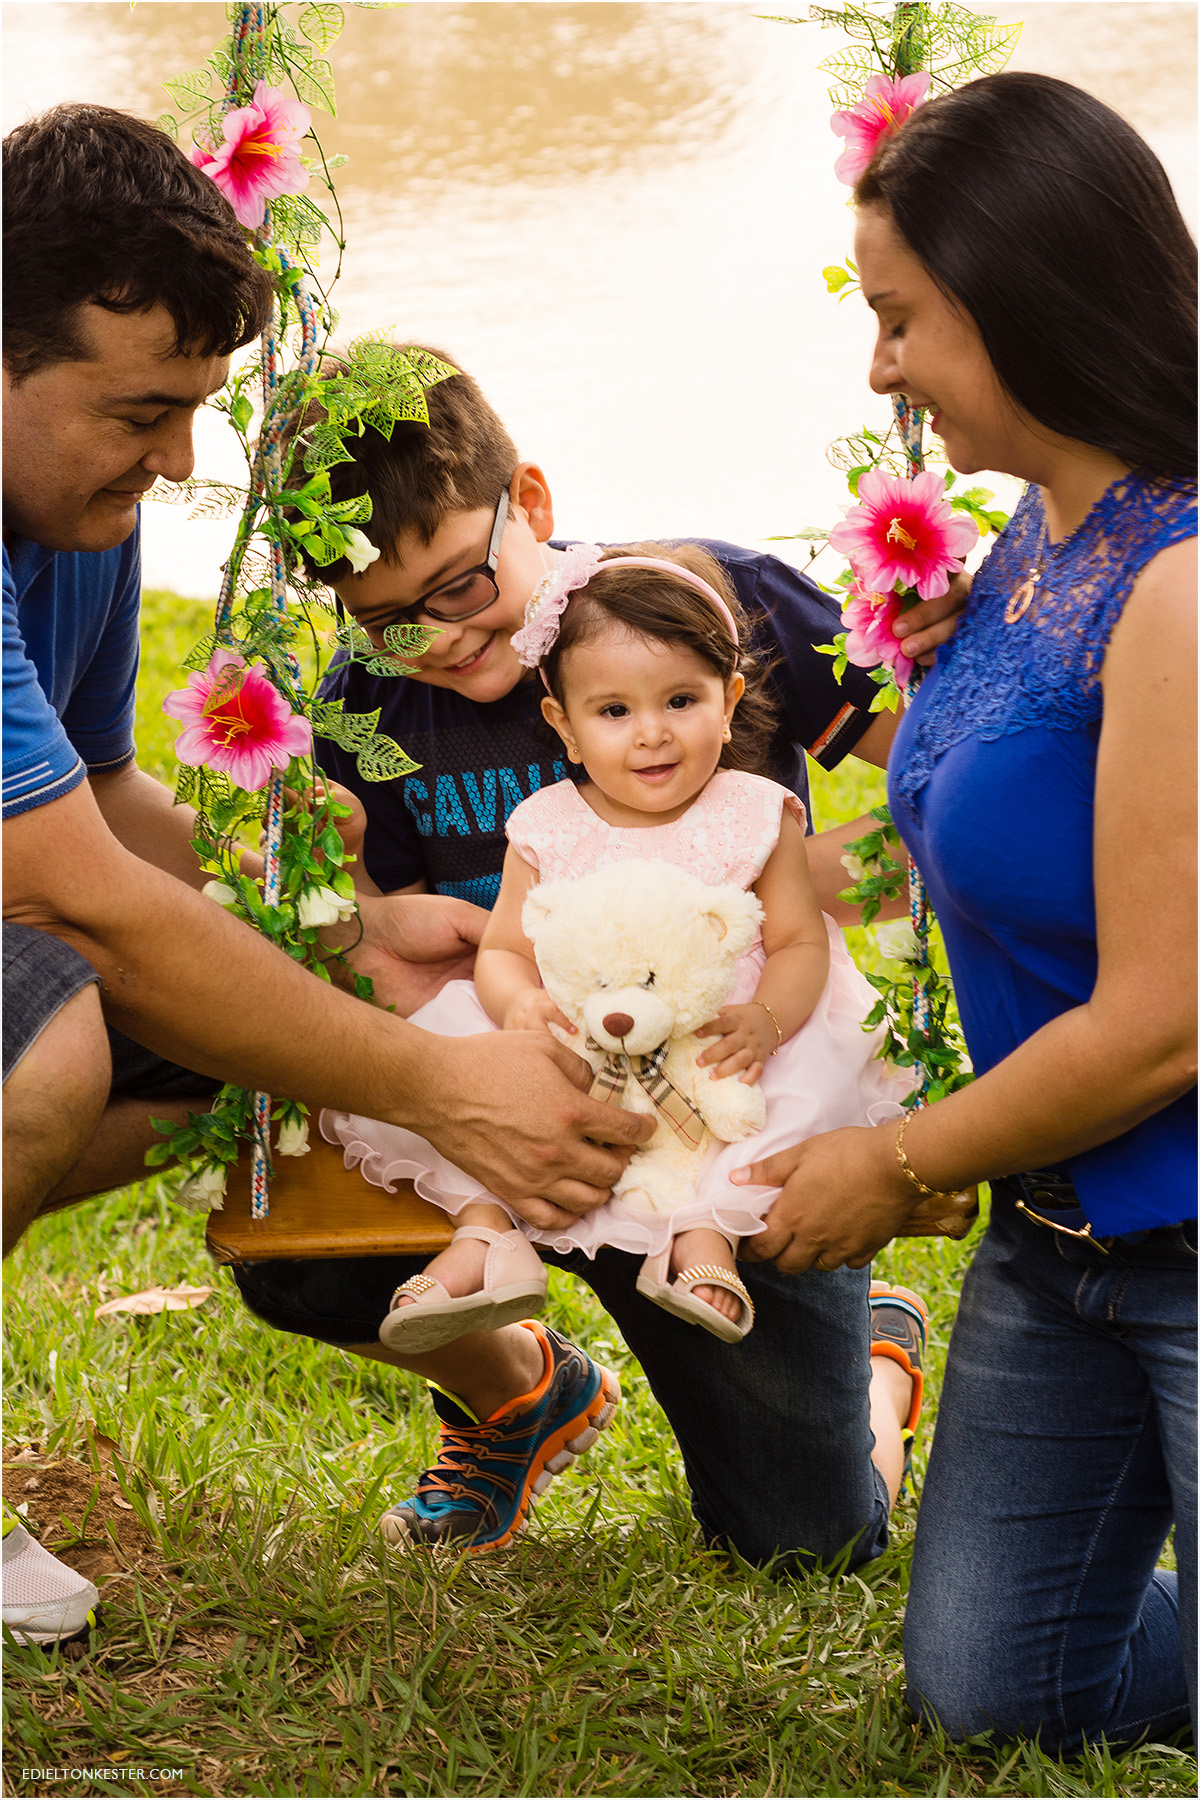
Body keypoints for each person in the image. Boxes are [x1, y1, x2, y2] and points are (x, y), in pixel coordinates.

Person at [2, 104, 653, 1644]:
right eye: (137, 411)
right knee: (38, 1068)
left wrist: (341, 925)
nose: (173, 459)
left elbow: (99, 797)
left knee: (218, 1064)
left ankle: (525, 1392)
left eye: (195, 412)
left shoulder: (80, 517)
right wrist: (452, 1092)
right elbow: (68, 892)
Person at [234, 354, 965, 1563]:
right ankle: (522, 1385)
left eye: (461, 582)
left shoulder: (707, 607)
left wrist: (790, 882)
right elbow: (382, 959)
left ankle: (873, 1359)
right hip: (505, 1124)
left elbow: (960, 776)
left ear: (528, 502)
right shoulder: (367, 706)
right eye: (386, 616)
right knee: (298, 1261)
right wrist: (348, 896)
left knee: (808, 1539)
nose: (437, 633)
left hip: (713, 1131)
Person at [730, 73, 1196, 1752]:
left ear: (1026, 297)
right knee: (995, 1694)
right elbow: (990, 838)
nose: (883, 368)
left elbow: (1163, 1021)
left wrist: (904, 1159)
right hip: (1061, 1243)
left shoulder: (1182, 587)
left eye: (903, 320)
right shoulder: (1039, 533)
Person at [324, 541, 910, 1351]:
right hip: (578, 1032)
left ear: (731, 699)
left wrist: (770, 1020)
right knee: (449, 1057)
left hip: (714, 1031)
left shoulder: (753, 811)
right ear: (562, 724)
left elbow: (802, 941)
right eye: (614, 712)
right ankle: (486, 1237)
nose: (651, 737)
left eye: (680, 701)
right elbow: (501, 952)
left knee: (776, 1092)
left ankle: (702, 1234)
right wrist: (518, 1003)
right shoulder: (546, 825)